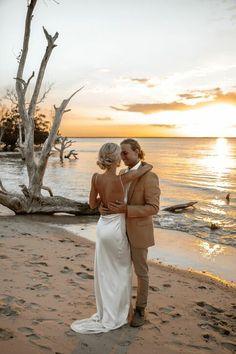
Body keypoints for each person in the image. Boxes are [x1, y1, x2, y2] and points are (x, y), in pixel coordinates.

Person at [70, 142, 152, 334]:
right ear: (116, 159)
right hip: (116, 228)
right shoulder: (123, 178)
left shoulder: (95, 177)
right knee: (122, 272)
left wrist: (102, 202)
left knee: (105, 271)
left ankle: (107, 309)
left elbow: (92, 204)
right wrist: (146, 163)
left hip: (102, 227)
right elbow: (146, 168)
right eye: (120, 155)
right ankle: (120, 312)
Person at [107, 138, 160, 327]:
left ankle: (140, 310)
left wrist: (126, 210)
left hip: (139, 232)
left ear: (137, 151)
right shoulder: (122, 173)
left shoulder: (150, 177)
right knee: (121, 271)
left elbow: (153, 207)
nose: (122, 156)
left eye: (125, 152)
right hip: (119, 231)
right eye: (120, 153)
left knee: (141, 272)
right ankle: (123, 307)